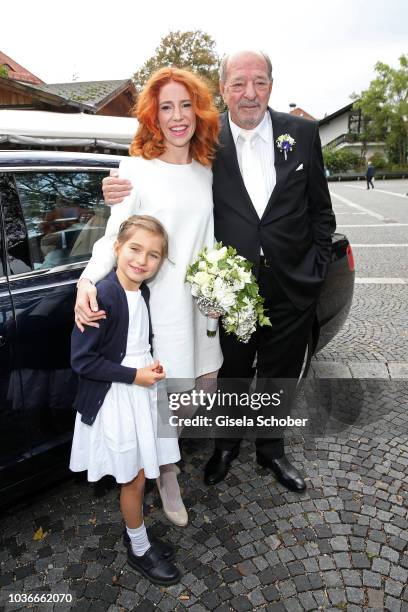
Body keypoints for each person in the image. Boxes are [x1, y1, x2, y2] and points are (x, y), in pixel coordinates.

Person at [101, 51, 335, 495]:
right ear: (222, 88)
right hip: (232, 290)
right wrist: (112, 189)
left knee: (281, 372)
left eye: (260, 81)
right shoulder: (206, 140)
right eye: (239, 83)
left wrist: (317, 270)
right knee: (233, 372)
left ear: (272, 83)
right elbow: (159, 171)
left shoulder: (302, 133)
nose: (250, 93)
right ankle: (224, 447)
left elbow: (321, 211)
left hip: (293, 284)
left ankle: (272, 449)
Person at [74, 67, 223, 525]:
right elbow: (114, 237)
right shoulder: (135, 169)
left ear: (197, 112)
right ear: (153, 117)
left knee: (200, 394)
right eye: (166, 108)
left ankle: (167, 462)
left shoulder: (207, 168)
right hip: (160, 309)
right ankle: (168, 472)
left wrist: (224, 286)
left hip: (203, 303)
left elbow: (212, 235)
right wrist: (86, 280)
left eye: (185, 105)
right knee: (166, 401)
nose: (177, 116)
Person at [70, 215, 181, 585]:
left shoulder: (141, 291)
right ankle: (137, 547)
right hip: (117, 399)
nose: (142, 260)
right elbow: (83, 360)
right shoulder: (103, 295)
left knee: (142, 471)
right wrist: (135, 374)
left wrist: (150, 363)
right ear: (116, 248)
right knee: (133, 478)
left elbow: (135, 342)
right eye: (135, 249)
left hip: (141, 394)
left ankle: (138, 534)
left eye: (153, 255)